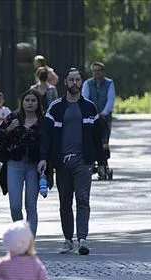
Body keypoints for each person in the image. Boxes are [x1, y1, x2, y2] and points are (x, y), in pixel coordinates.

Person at [40, 68, 106, 255]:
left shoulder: (89, 107)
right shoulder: (55, 107)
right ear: (65, 83)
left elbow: (97, 138)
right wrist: (44, 158)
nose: (74, 83)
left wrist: (101, 163)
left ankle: (82, 239)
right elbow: (45, 135)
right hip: (61, 162)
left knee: (83, 199)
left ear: (81, 82)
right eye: (71, 80)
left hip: (83, 162)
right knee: (65, 201)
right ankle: (68, 240)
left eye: (77, 80)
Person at [0, 89, 46, 236]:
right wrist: (9, 128)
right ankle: (21, 234)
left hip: (34, 166)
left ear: (38, 103)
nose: (30, 103)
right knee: (15, 206)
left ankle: (29, 242)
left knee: (31, 206)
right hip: (14, 164)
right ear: (22, 102)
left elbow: (48, 143)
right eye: (27, 100)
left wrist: (45, 160)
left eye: (33, 100)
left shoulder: (43, 121)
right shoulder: (13, 117)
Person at [82, 61, 115, 173]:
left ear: (102, 72)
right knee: (90, 139)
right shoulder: (88, 83)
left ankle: (104, 162)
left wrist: (104, 112)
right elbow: (85, 98)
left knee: (104, 140)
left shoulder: (109, 83)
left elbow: (110, 99)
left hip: (104, 118)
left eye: (99, 71)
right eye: (94, 71)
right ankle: (91, 160)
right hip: (91, 117)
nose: (96, 73)